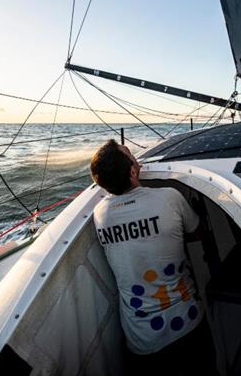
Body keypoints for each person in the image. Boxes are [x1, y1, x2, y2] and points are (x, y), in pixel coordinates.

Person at [90, 139, 217, 376]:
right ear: (133, 171)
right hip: (187, 324)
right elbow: (198, 232)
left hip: (141, 339)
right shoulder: (170, 197)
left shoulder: (101, 214)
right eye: (130, 154)